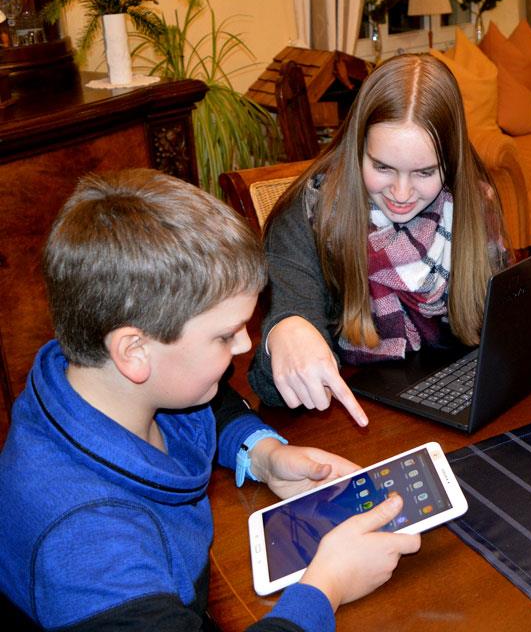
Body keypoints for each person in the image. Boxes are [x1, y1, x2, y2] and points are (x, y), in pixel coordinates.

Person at [0, 170, 420, 630]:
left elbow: (207, 408)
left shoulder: (106, 383)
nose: (245, 345)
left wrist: (263, 454)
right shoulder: (88, 546)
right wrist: (327, 587)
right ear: (134, 351)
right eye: (225, 335)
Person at [249, 53, 507, 417]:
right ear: (358, 148)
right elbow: (272, 386)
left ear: (452, 162)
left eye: (424, 172)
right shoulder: (306, 218)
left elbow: (503, 323)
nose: (401, 194)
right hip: (348, 415)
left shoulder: (475, 204)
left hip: (451, 402)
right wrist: (285, 330)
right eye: (382, 167)